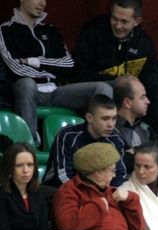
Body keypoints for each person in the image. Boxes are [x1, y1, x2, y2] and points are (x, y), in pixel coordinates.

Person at [0, 0, 112, 143]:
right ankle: (28, 144)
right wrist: (51, 69)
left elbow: (69, 64)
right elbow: (15, 68)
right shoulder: (5, 30)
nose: (42, 3)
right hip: (27, 91)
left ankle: (99, 145)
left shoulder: (51, 30)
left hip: (55, 91)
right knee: (26, 83)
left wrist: (33, 61)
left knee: (103, 88)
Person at [73, 0, 158, 134]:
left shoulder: (145, 44)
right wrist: (117, 81)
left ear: (137, 21)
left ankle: (154, 135)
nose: (118, 25)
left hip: (131, 91)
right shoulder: (93, 33)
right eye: (114, 18)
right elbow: (77, 74)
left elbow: (151, 85)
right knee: (115, 87)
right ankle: (112, 136)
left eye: (124, 21)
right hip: (96, 87)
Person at [42, 94, 127, 188]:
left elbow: (120, 174)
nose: (111, 124)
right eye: (105, 119)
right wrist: (84, 194)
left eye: (114, 118)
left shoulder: (115, 139)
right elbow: (62, 175)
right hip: (58, 189)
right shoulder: (68, 135)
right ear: (89, 118)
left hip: (100, 192)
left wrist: (112, 192)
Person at [113, 75, 158, 173]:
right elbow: (121, 163)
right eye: (142, 97)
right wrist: (153, 151)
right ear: (127, 103)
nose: (148, 101)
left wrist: (135, 151)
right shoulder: (111, 130)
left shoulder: (145, 128)